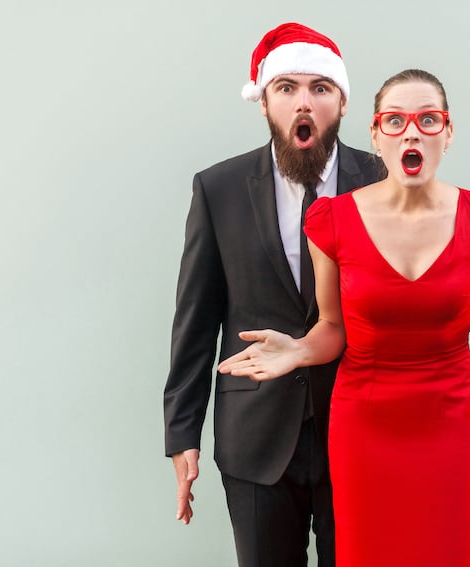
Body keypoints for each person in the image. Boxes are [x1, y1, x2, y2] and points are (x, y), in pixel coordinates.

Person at [218, 69, 470, 566]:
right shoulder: (333, 221)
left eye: (428, 120)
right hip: (364, 422)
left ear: (447, 133)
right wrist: (299, 350)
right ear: (376, 134)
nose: (412, 132)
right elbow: (332, 327)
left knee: (444, 550)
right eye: (396, 120)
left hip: (448, 419)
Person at [163, 22, 384, 567]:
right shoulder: (218, 188)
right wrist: (182, 432)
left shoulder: (382, 181)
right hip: (255, 438)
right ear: (264, 102)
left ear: (342, 102)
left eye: (320, 88)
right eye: (286, 88)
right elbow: (196, 318)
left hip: (361, 432)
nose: (303, 102)